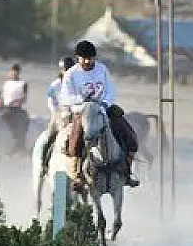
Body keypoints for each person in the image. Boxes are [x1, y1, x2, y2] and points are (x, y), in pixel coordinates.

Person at [60, 40, 140, 189]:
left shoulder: (102, 70)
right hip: (82, 110)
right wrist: (83, 102)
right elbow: (66, 96)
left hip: (103, 108)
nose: (87, 61)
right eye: (84, 58)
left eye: (90, 58)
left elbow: (110, 90)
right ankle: (77, 175)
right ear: (78, 58)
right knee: (76, 137)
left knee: (129, 135)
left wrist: (104, 103)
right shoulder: (72, 74)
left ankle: (128, 172)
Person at [40, 56, 76, 171]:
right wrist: (57, 114)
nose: (67, 72)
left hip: (74, 115)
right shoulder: (55, 85)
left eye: (70, 69)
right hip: (59, 114)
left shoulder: (77, 84)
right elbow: (51, 102)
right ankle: (43, 164)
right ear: (61, 70)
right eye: (65, 69)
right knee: (50, 136)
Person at [0, 63, 30, 151]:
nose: (12, 74)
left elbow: (24, 98)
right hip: (5, 108)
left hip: (16, 109)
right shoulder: (6, 83)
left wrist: (15, 102)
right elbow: (2, 96)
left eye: (15, 72)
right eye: (11, 72)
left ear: (18, 73)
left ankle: (19, 144)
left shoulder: (23, 84)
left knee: (21, 122)